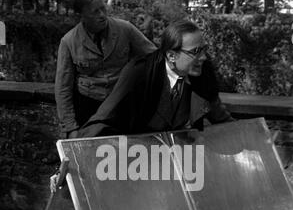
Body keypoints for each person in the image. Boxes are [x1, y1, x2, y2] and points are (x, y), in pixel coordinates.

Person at [78, 19, 234, 138]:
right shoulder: (139, 73)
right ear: (172, 55)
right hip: (137, 157)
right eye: (196, 52)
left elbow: (219, 116)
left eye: (204, 50)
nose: (203, 58)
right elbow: (103, 119)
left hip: (181, 157)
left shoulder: (202, 71)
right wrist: (74, 159)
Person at [55, 0, 156, 139]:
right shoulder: (69, 41)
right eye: (95, 12)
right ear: (81, 15)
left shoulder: (125, 29)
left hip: (121, 104)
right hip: (88, 107)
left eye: (103, 8)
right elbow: (63, 88)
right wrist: (70, 128)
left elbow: (154, 58)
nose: (102, 15)